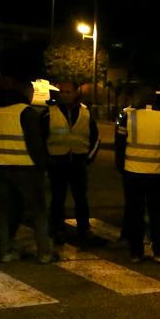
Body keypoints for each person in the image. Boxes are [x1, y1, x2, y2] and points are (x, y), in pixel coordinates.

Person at [0, 79, 56, 264]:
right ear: (27, 93)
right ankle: (44, 252)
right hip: (27, 168)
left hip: (2, 167)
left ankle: (6, 251)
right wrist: (44, 166)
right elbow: (35, 145)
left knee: (3, 211)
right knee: (38, 211)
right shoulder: (26, 113)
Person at [114, 87, 160, 264]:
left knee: (135, 213)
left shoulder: (129, 117)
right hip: (158, 173)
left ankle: (136, 252)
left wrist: (122, 167)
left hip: (132, 172)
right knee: (157, 214)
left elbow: (119, 146)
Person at [47, 80, 99, 245]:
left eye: (68, 92)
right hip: (57, 162)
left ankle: (84, 229)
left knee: (80, 199)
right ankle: (57, 230)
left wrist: (87, 158)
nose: (64, 95)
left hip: (78, 162)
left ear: (76, 93)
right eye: (62, 92)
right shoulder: (50, 112)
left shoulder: (86, 112)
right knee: (58, 198)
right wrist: (48, 160)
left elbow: (95, 138)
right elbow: (42, 138)